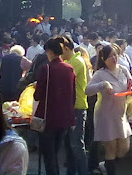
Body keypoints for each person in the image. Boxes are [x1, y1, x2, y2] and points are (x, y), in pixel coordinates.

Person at [85, 44, 132, 175]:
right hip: (105, 114)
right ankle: (110, 168)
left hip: (121, 113)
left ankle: (105, 165)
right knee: (110, 148)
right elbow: (87, 90)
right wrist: (102, 85)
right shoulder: (100, 74)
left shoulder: (123, 70)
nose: (114, 58)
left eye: (115, 55)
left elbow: (130, 84)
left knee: (124, 147)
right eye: (111, 56)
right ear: (104, 58)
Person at [34, 38, 76, 175]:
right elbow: (72, 94)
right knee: (56, 153)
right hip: (65, 118)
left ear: (50, 52)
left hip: (48, 119)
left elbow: (37, 95)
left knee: (49, 157)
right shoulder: (69, 68)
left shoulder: (45, 68)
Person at [60, 35, 88, 175]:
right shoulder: (71, 60)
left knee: (76, 144)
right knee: (70, 145)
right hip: (70, 108)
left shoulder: (76, 61)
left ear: (65, 48)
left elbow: (64, 79)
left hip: (77, 107)